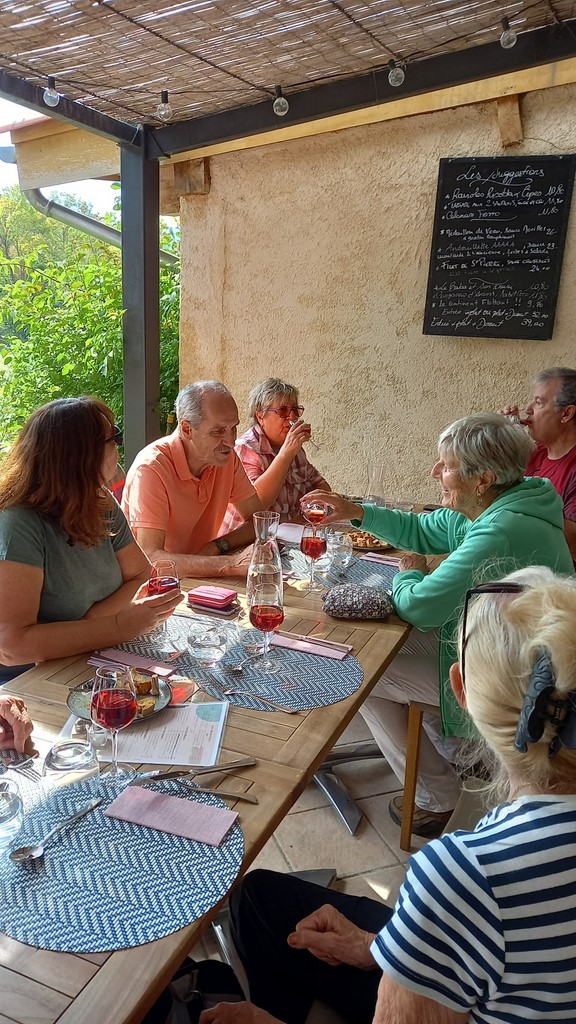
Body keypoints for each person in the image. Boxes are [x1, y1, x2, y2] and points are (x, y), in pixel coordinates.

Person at [200, 566, 576, 1024]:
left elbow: (474, 912)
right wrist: (377, 946)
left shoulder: (467, 876)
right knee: (258, 897)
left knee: (257, 903)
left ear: (459, 690)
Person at [304, 412, 574, 837]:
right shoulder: (512, 500)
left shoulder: (499, 530)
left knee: (362, 669)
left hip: (520, 685)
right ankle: (454, 754)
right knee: (386, 649)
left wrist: (408, 573)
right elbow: (422, 528)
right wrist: (356, 511)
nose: (434, 472)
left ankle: (437, 798)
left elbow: (419, 606)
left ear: (482, 479)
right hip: (514, 654)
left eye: (446, 466)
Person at [0, 397, 181, 683]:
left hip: (93, 658)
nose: (119, 446)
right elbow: (11, 647)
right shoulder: (19, 522)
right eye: (115, 437)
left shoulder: (98, 500)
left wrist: (89, 624)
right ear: (83, 455)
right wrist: (119, 626)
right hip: (29, 680)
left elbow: (141, 575)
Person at [122, 381, 262, 578]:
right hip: (157, 584)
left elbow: (259, 520)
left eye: (234, 428)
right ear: (187, 429)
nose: (231, 442)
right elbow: (150, 557)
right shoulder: (151, 468)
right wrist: (230, 564)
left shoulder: (224, 458)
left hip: (199, 578)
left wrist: (219, 545)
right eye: (218, 431)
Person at [221, 379, 330, 531]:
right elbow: (257, 505)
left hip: (287, 535)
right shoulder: (245, 449)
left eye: (295, 410)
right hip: (249, 539)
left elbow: (322, 487)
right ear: (260, 416)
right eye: (283, 411)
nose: (292, 417)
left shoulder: (294, 448)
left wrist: (306, 513)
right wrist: (286, 454)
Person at [502, 367, 576, 558]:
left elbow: (572, 540)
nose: (528, 409)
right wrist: (506, 440)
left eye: (538, 402)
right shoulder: (535, 451)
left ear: (566, 413)